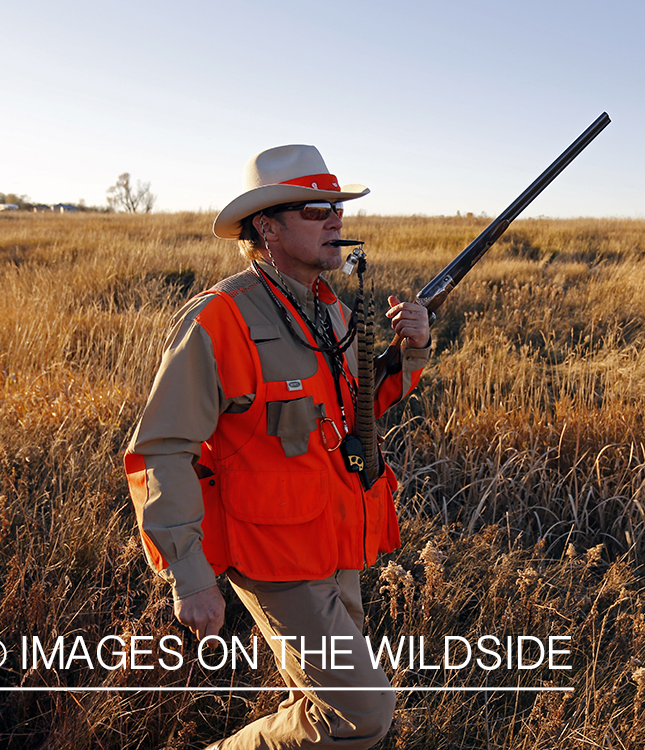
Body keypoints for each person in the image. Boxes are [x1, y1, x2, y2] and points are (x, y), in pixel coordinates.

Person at [124, 145, 431, 749]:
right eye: (317, 211)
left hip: (335, 537)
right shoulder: (220, 318)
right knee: (361, 715)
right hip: (275, 555)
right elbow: (161, 449)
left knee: (324, 704)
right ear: (266, 226)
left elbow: (359, 408)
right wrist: (190, 574)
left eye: (336, 209)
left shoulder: (331, 311)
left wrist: (408, 352)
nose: (335, 221)